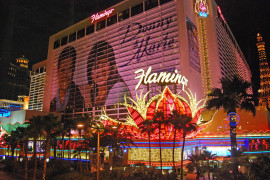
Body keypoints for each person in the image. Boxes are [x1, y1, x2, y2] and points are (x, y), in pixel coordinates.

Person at [86, 41, 130, 108]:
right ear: (91, 73)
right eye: (96, 66)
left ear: (111, 67)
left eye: (104, 64)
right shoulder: (92, 94)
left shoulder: (118, 88)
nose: (100, 70)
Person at [50, 46, 84, 113]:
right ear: (57, 72)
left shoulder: (79, 97)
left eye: (69, 70)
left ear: (73, 72)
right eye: (63, 70)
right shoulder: (52, 102)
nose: (65, 75)